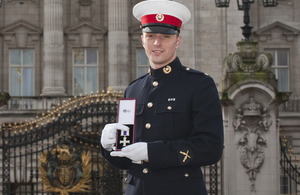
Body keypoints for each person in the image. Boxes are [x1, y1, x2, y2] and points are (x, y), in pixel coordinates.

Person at [100, 0, 224, 194]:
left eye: (165, 36)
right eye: (150, 36)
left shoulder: (199, 85)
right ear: (142, 39)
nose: (157, 43)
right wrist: (108, 146)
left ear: (178, 41)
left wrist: (152, 152)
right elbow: (123, 160)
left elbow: (210, 147)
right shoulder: (133, 89)